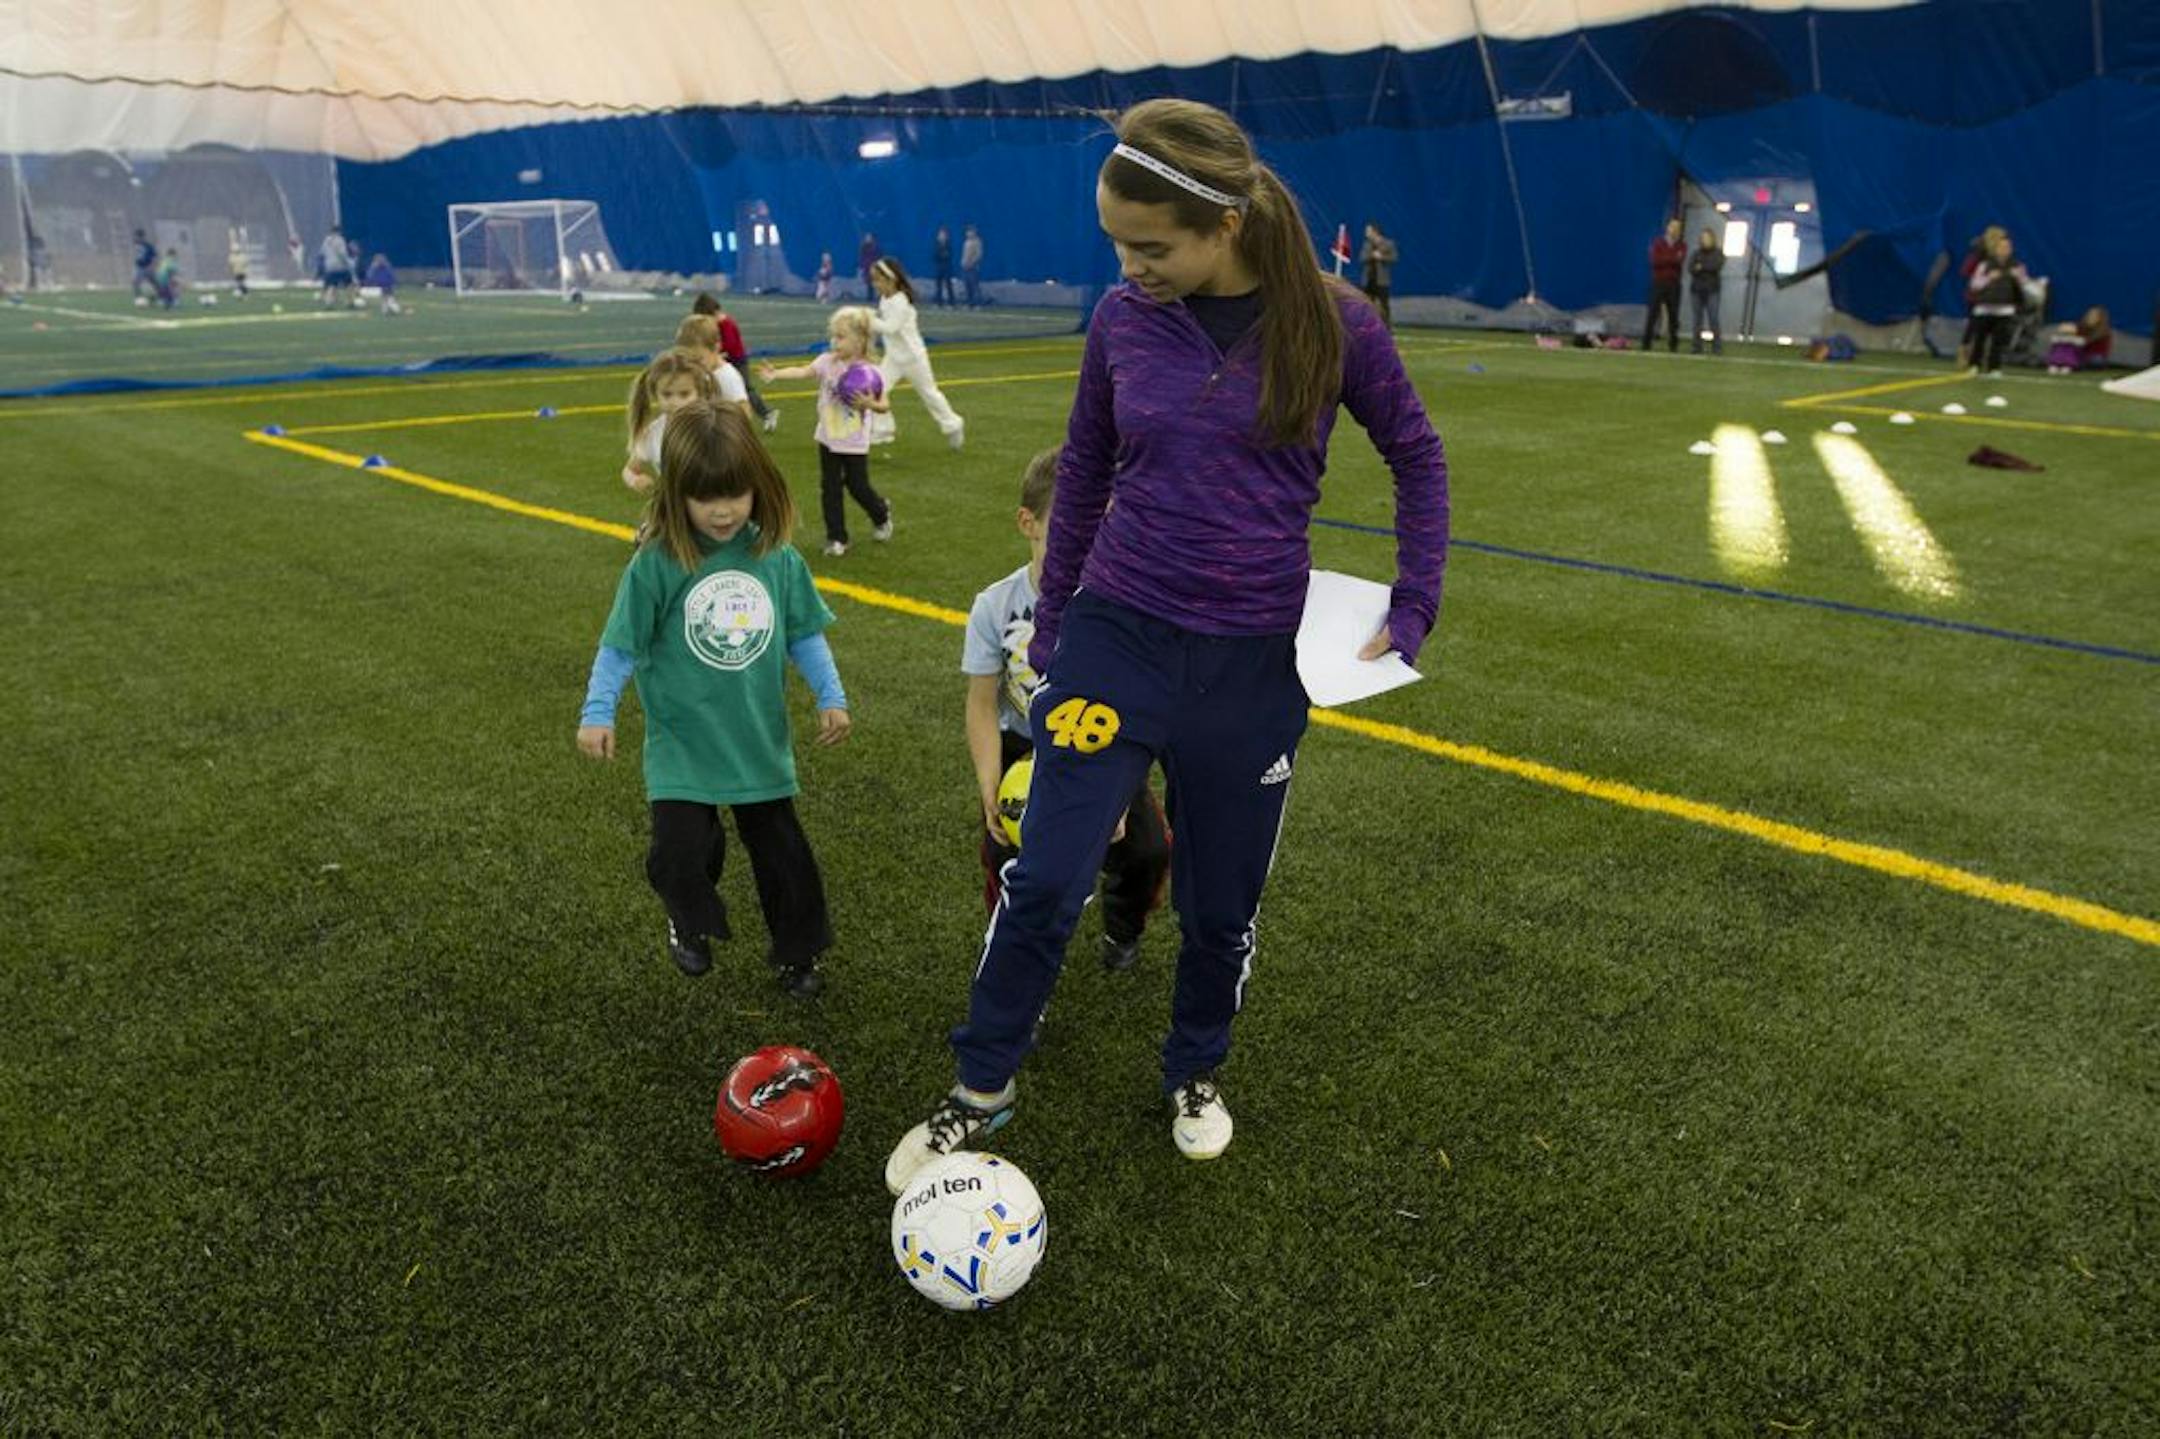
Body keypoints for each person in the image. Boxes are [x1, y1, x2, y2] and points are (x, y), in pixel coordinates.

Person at [883, 97, 1448, 1195]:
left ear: (1225, 224)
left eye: (1151, 246)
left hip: (1251, 663)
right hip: (1114, 636)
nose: (1129, 265)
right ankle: (980, 1084)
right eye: (1116, 244)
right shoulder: (1119, 322)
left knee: (1220, 902)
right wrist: (1056, 615)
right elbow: (1085, 466)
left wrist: (1414, 602)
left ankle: (1195, 1069)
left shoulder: (1335, 324)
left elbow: (1418, 456)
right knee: (1043, 874)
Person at [577, 399, 848, 999]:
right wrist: (598, 711)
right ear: (677, 495)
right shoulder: (657, 563)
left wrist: (831, 694)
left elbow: (803, 633)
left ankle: (798, 954)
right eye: (706, 497)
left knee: (787, 863)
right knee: (680, 856)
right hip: (683, 745)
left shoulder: (775, 557)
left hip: (757, 741)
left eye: (736, 493)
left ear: (760, 485)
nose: (723, 510)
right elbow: (620, 645)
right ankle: (690, 921)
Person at [966, 447, 1169, 971]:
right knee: (1008, 857)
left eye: (1104, 526)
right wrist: (990, 783)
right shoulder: (996, 606)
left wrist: (1119, 793)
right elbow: (983, 704)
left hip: (1102, 746)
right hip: (1022, 750)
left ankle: (1123, 928)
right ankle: (1007, 948)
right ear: (1028, 523)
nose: (1090, 542)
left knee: (1146, 851)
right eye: (1072, 524)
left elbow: (1132, 704)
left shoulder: (1120, 606)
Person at [758, 306, 894, 557]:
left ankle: (881, 513)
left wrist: (870, 404)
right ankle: (837, 538)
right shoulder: (827, 362)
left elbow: (884, 405)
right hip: (828, 439)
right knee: (829, 488)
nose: (834, 341)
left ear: (860, 340)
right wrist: (776, 374)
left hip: (854, 442)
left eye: (841, 336)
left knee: (857, 486)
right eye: (833, 336)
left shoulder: (870, 373)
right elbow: (803, 371)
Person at [865, 257, 966, 450]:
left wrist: (867, 319)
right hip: (894, 358)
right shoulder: (884, 300)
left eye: (878, 279)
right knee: (876, 388)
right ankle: (882, 430)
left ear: (891, 279)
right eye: (873, 279)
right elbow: (883, 326)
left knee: (930, 394)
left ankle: (953, 424)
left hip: (914, 358)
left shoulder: (901, 301)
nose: (875, 284)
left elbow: (891, 327)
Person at [621, 348, 722, 499]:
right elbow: (629, 470)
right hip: (675, 511)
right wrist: (635, 480)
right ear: (656, 394)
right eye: (667, 394)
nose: (675, 402)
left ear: (699, 393)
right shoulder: (652, 434)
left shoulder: (713, 426)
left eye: (684, 394)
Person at [693, 292, 779, 432]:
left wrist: (717, 354)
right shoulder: (717, 324)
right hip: (726, 360)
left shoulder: (726, 324)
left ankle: (767, 413)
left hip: (737, 361)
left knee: (745, 390)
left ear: (713, 312)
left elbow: (731, 346)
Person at [1966, 232, 2031, 377]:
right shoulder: (1985, 265)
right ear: (1995, 249)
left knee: (1998, 341)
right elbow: (1974, 284)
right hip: (1984, 308)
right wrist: (1989, 278)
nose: (2005, 249)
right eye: (2001, 247)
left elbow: (2026, 285)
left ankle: (1994, 368)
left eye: (2007, 247)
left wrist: (2018, 277)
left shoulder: (2017, 266)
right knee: (1980, 340)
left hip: (2005, 309)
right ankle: (1974, 365)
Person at [672, 313, 753, 420]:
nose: (693, 365)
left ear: (716, 348)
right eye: (688, 359)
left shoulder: (727, 377)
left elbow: (744, 412)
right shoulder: (700, 371)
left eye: (698, 360)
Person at [1642, 217, 1684, 352]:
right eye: (1672, 226)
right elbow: (1655, 261)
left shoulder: (1682, 245)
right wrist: (1671, 258)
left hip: (1674, 284)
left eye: (1677, 227)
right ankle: (1646, 343)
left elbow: (1680, 260)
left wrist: (1665, 258)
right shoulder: (1658, 243)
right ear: (1667, 227)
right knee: (1652, 313)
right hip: (1658, 282)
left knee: (1673, 315)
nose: (1674, 230)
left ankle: (1673, 345)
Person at [1687, 227, 1724, 355]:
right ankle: (1696, 347)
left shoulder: (1718, 253)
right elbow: (1690, 268)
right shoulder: (1696, 253)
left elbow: (1716, 266)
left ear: (1712, 239)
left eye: (1707, 237)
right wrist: (1703, 267)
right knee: (1697, 320)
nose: (1705, 240)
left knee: (1713, 319)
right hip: (1696, 291)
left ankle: (1717, 348)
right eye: (1703, 238)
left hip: (1712, 291)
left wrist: (1701, 266)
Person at [1358, 222, 1398, 329]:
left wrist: (1382, 257)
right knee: (1367, 304)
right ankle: (1366, 325)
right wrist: (1371, 255)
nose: (1366, 233)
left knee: (1384, 304)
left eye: (1368, 231)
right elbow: (1361, 258)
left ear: (1375, 232)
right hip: (1368, 279)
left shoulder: (1388, 243)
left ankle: (1386, 327)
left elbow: (1394, 258)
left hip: (1382, 280)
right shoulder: (1367, 245)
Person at [318, 226, 353, 307]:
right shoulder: (340, 240)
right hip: (340, 266)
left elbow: (322, 252)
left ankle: (329, 302)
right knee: (349, 284)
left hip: (329, 266)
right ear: (339, 232)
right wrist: (348, 262)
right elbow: (342, 253)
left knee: (332, 285)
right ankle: (349, 302)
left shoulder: (326, 240)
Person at [131, 230, 158, 303]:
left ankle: (155, 297)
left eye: (137, 236)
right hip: (139, 267)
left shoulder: (148, 246)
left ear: (142, 237)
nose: (136, 238)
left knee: (154, 283)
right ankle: (138, 298)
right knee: (135, 282)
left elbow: (154, 257)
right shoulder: (135, 245)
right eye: (135, 236)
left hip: (147, 267)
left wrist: (152, 267)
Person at [961, 223, 984, 307]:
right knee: (967, 287)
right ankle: (969, 303)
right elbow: (964, 255)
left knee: (974, 286)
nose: (968, 233)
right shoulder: (966, 242)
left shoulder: (977, 241)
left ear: (974, 232)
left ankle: (978, 303)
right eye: (967, 231)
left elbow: (979, 254)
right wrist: (963, 263)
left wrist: (971, 263)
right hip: (965, 267)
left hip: (973, 267)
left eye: (970, 231)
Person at [932, 225, 956, 307]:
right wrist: (941, 255)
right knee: (938, 286)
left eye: (943, 234)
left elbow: (948, 255)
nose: (941, 236)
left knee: (948, 285)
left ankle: (951, 303)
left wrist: (943, 254)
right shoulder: (937, 244)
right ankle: (939, 302)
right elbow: (935, 255)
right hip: (939, 267)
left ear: (946, 235)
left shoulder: (948, 244)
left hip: (947, 267)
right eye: (940, 234)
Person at [858, 232, 881, 298]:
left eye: (869, 237)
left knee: (874, 282)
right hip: (867, 266)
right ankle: (870, 296)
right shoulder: (864, 246)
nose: (867, 239)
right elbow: (862, 256)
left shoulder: (876, 247)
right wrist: (862, 265)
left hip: (874, 266)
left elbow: (878, 256)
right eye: (866, 238)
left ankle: (879, 296)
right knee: (868, 282)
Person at [228, 233, 250, 299]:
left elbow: (231, 265)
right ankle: (242, 294)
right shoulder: (240, 256)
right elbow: (231, 265)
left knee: (240, 283)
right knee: (240, 283)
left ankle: (242, 293)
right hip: (239, 272)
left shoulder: (233, 256)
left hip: (240, 272)